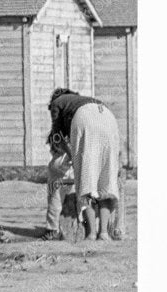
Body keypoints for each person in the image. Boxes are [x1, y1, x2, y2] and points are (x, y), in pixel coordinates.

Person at [45, 87, 124, 240]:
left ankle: (91, 234)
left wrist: (72, 156)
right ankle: (104, 233)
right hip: (108, 118)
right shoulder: (83, 101)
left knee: (86, 183)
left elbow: (57, 137)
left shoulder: (57, 102)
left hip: (85, 121)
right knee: (106, 182)